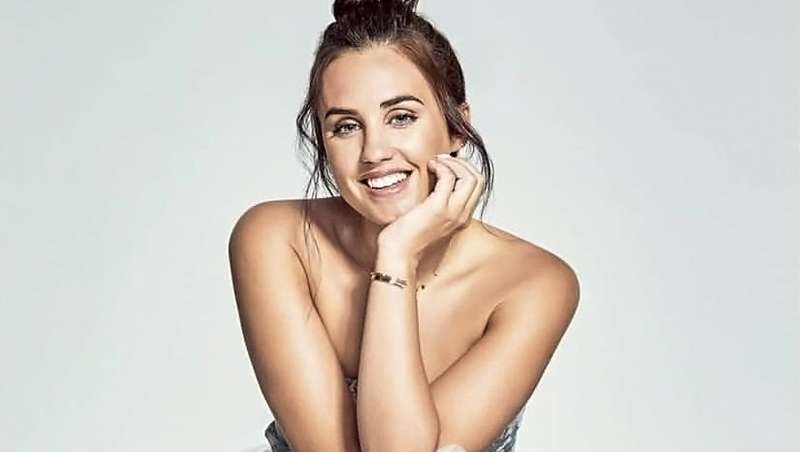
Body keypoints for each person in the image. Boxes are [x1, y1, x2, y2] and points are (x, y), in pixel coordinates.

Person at [228, 1, 580, 451]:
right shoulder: (276, 239)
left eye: (401, 118)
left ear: (457, 126)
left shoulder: (534, 283)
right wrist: (398, 256)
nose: (374, 151)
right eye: (346, 127)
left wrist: (396, 254)